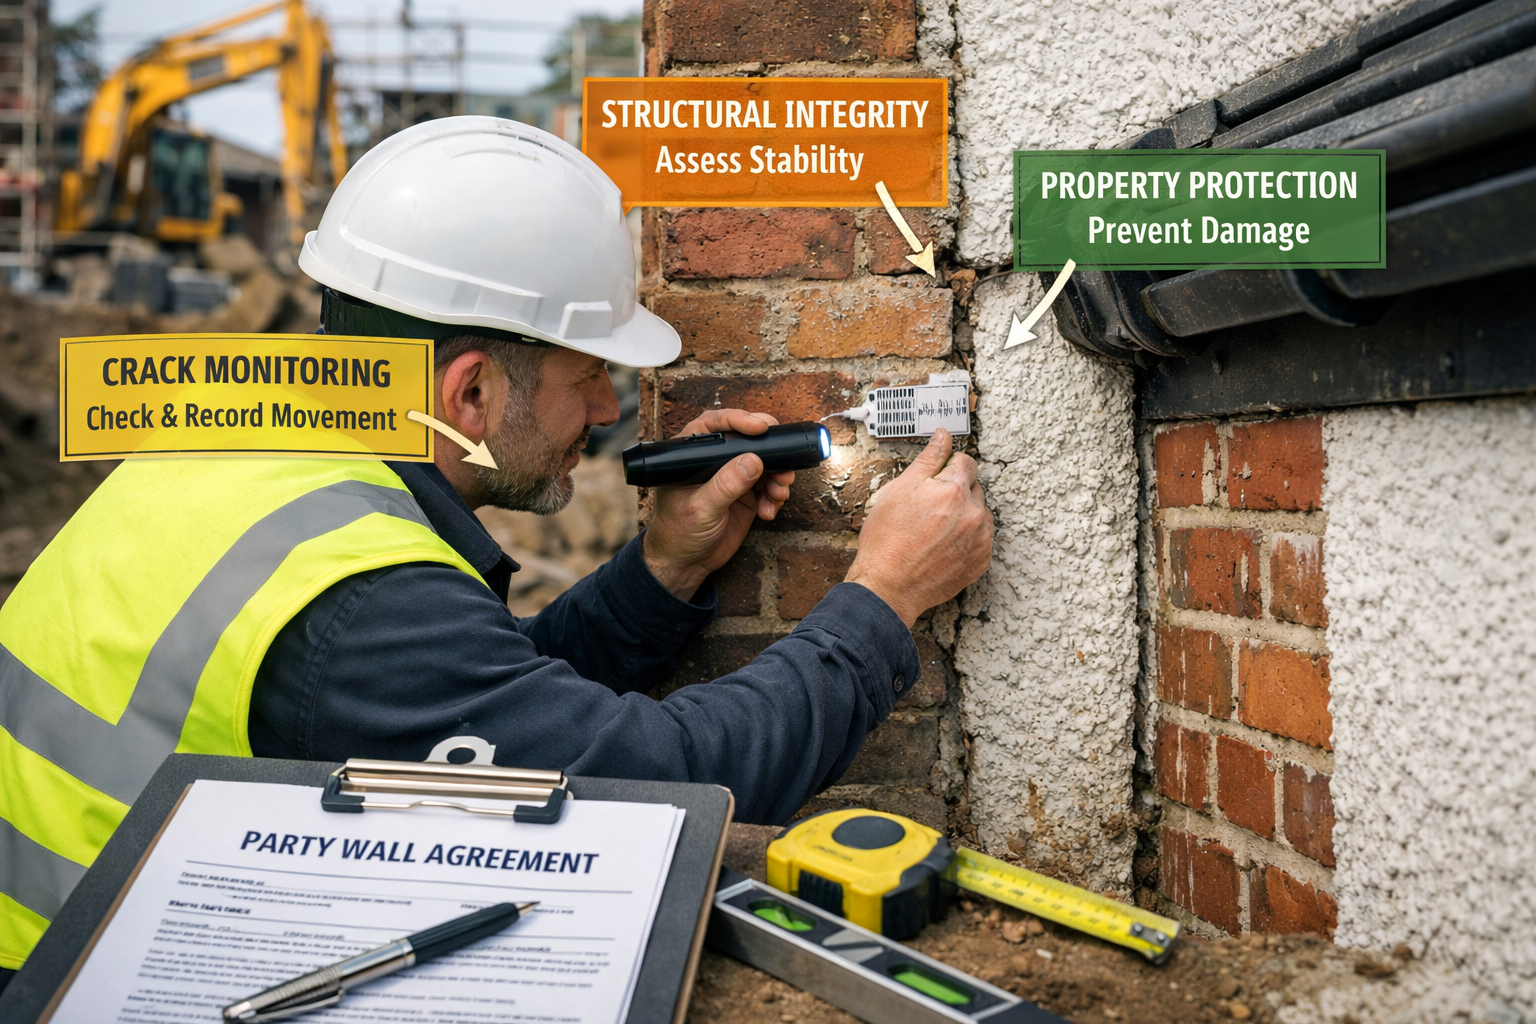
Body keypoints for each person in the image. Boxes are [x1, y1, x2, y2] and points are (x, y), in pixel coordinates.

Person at [0, 117, 992, 976]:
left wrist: (660, 572)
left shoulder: (249, 454)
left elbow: (478, 709)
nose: (607, 413)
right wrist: (882, 595)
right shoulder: (359, 610)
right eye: (586, 378)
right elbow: (657, 788)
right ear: (469, 394)